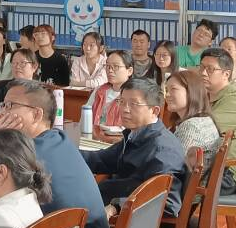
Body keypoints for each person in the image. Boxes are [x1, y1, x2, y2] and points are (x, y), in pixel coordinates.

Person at [0, 79, 110, 228]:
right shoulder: (59, 139)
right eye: (3, 105)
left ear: (36, 114)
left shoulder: (29, 156)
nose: (3, 113)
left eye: (11, 106)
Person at [84, 79, 188, 216]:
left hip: (133, 222)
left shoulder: (162, 149)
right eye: (122, 102)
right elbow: (101, 160)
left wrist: (117, 207)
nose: (125, 109)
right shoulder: (136, 134)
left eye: (134, 104)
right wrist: (66, 153)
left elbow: (167, 203)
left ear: (154, 111)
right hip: (108, 206)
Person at [198, 47, 236, 195]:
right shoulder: (206, 96)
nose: (203, 73)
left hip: (224, 173)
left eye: (210, 69)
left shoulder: (235, 100)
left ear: (226, 74)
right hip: (206, 164)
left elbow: (201, 130)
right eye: (201, 67)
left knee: (170, 179)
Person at [164, 69, 221, 165]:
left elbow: (173, 165)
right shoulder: (204, 119)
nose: (167, 95)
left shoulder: (191, 126)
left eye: (173, 89)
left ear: (191, 92)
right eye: (166, 90)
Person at [88, 49, 131, 139]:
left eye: (116, 66)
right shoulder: (99, 91)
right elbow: (85, 117)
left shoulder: (134, 96)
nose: (110, 70)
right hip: (94, 139)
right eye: (107, 66)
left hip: (119, 141)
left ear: (129, 71)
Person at [0, 47, 39, 113]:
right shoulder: (1, 88)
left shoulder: (41, 91)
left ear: (34, 67)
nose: (17, 66)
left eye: (22, 63)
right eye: (14, 63)